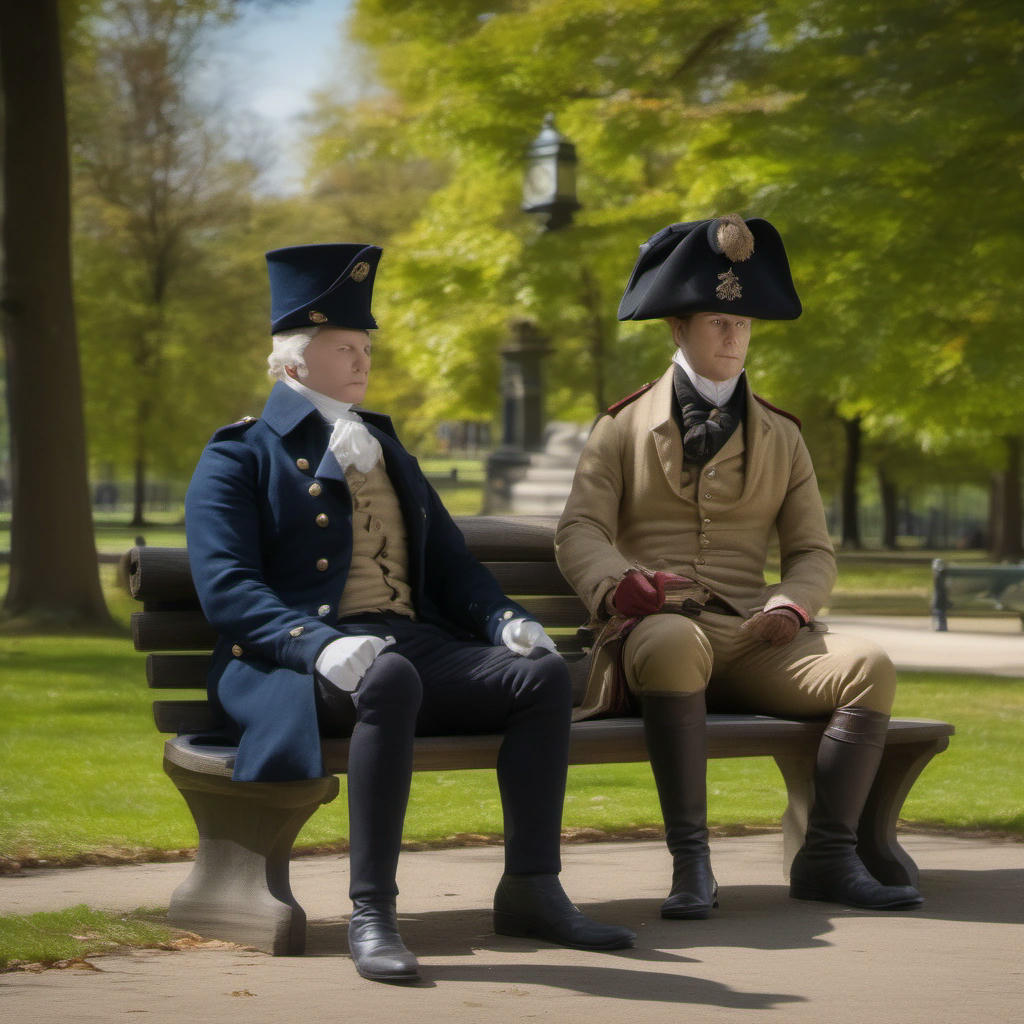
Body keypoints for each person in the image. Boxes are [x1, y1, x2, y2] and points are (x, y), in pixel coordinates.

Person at [185, 243, 635, 984]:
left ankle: (531, 888)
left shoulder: (386, 446)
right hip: (290, 668)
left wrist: (502, 621)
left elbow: (452, 565)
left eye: (365, 347)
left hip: (405, 647)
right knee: (386, 678)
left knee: (542, 678)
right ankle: (374, 912)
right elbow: (228, 589)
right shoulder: (240, 456)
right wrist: (318, 645)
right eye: (345, 347)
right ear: (294, 362)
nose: (363, 361)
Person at [554, 214, 923, 919]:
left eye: (743, 323)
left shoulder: (783, 435)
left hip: (757, 637)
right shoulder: (620, 426)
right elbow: (581, 530)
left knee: (869, 664)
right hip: (659, 630)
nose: (734, 336)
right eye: (719, 321)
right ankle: (691, 865)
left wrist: (793, 604)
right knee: (668, 642)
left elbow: (812, 550)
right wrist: (614, 585)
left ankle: (828, 857)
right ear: (678, 329)